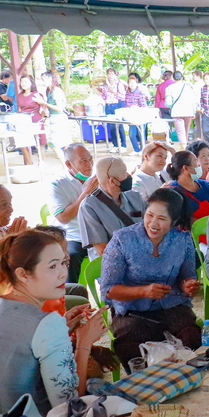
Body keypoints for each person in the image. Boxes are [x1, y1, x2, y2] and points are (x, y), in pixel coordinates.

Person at [0, 230, 108, 415]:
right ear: (23, 274)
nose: (63, 274)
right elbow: (69, 402)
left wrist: (63, 329)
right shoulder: (49, 324)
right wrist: (84, 342)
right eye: (52, 266)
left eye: (64, 263)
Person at [100, 188, 202, 368]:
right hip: (131, 311)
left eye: (162, 219)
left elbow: (187, 275)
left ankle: (187, 377)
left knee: (190, 337)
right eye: (149, 215)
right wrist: (143, 291)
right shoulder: (122, 240)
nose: (153, 223)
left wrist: (187, 284)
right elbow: (108, 290)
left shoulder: (182, 240)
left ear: (174, 221)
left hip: (171, 306)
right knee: (134, 351)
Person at [78, 156, 145, 260]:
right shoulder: (89, 207)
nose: (128, 175)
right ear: (112, 181)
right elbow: (103, 250)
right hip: (113, 263)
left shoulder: (135, 197)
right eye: (124, 172)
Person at [50, 144, 99, 283]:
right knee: (69, 257)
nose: (89, 165)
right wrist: (86, 193)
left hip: (97, 233)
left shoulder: (98, 178)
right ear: (68, 164)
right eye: (83, 161)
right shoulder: (58, 184)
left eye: (90, 160)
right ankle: (72, 294)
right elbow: (63, 217)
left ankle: (110, 292)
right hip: (73, 236)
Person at [165, 151, 209, 230]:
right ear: (186, 168)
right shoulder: (172, 192)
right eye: (196, 162)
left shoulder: (205, 185)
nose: (199, 165)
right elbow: (179, 221)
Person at [38, 72, 71, 167]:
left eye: (44, 79)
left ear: (51, 79)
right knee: (64, 145)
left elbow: (59, 108)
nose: (42, 81)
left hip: (59, 119)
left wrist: (45, 103)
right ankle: (69, 166)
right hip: (54, 119)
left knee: (55, 144)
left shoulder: (56, 91)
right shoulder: (49, 91)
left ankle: (66, 166)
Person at [15, 74, 47, 165]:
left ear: (31, 83)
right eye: (22, 82)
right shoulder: (20, 95)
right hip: (24, 121)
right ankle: (29, 163)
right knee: (25, 143)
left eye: (26, 82)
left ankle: (42, 162)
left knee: (39, 143)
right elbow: (20, 109)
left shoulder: (36, 94)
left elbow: (44, 108)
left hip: (36, 120)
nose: (23, 84)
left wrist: (42, 118)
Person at [165, 71, 196, 146]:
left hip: (176, 112)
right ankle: (186, 146)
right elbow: (193, 101)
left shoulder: (169, 88)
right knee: (186, 130)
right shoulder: (188, 87)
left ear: (173, 78)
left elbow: (168, 103)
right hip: (188, 111)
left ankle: (183, 147)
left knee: (180, 131)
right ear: (182, 78)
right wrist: (193, 112)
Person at [101, 68, 128, 152]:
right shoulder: (105, 85)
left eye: (112, 74)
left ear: (116, 75)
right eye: (109, 74)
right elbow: (103, 96)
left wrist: (113, 91)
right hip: (108, 106)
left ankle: (123, 145)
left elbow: (123, 96)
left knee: (119, 126)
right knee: (111, 127)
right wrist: (94, 89)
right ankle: (115, 145)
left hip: (117, 105)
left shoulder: (119, 84)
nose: (110, 76)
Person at [124, 73, 150, 153]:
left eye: (133, 83)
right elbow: (126, 104)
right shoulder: (127, 93)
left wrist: (136, 108)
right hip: (131, 116)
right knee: (132, 134)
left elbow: (143, 105)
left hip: (140, 116)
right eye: (130, 83)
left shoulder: (140, 92)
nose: (131, 84)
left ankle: (143, 150)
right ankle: (136, 149)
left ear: (136, 83)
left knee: (141, 134)